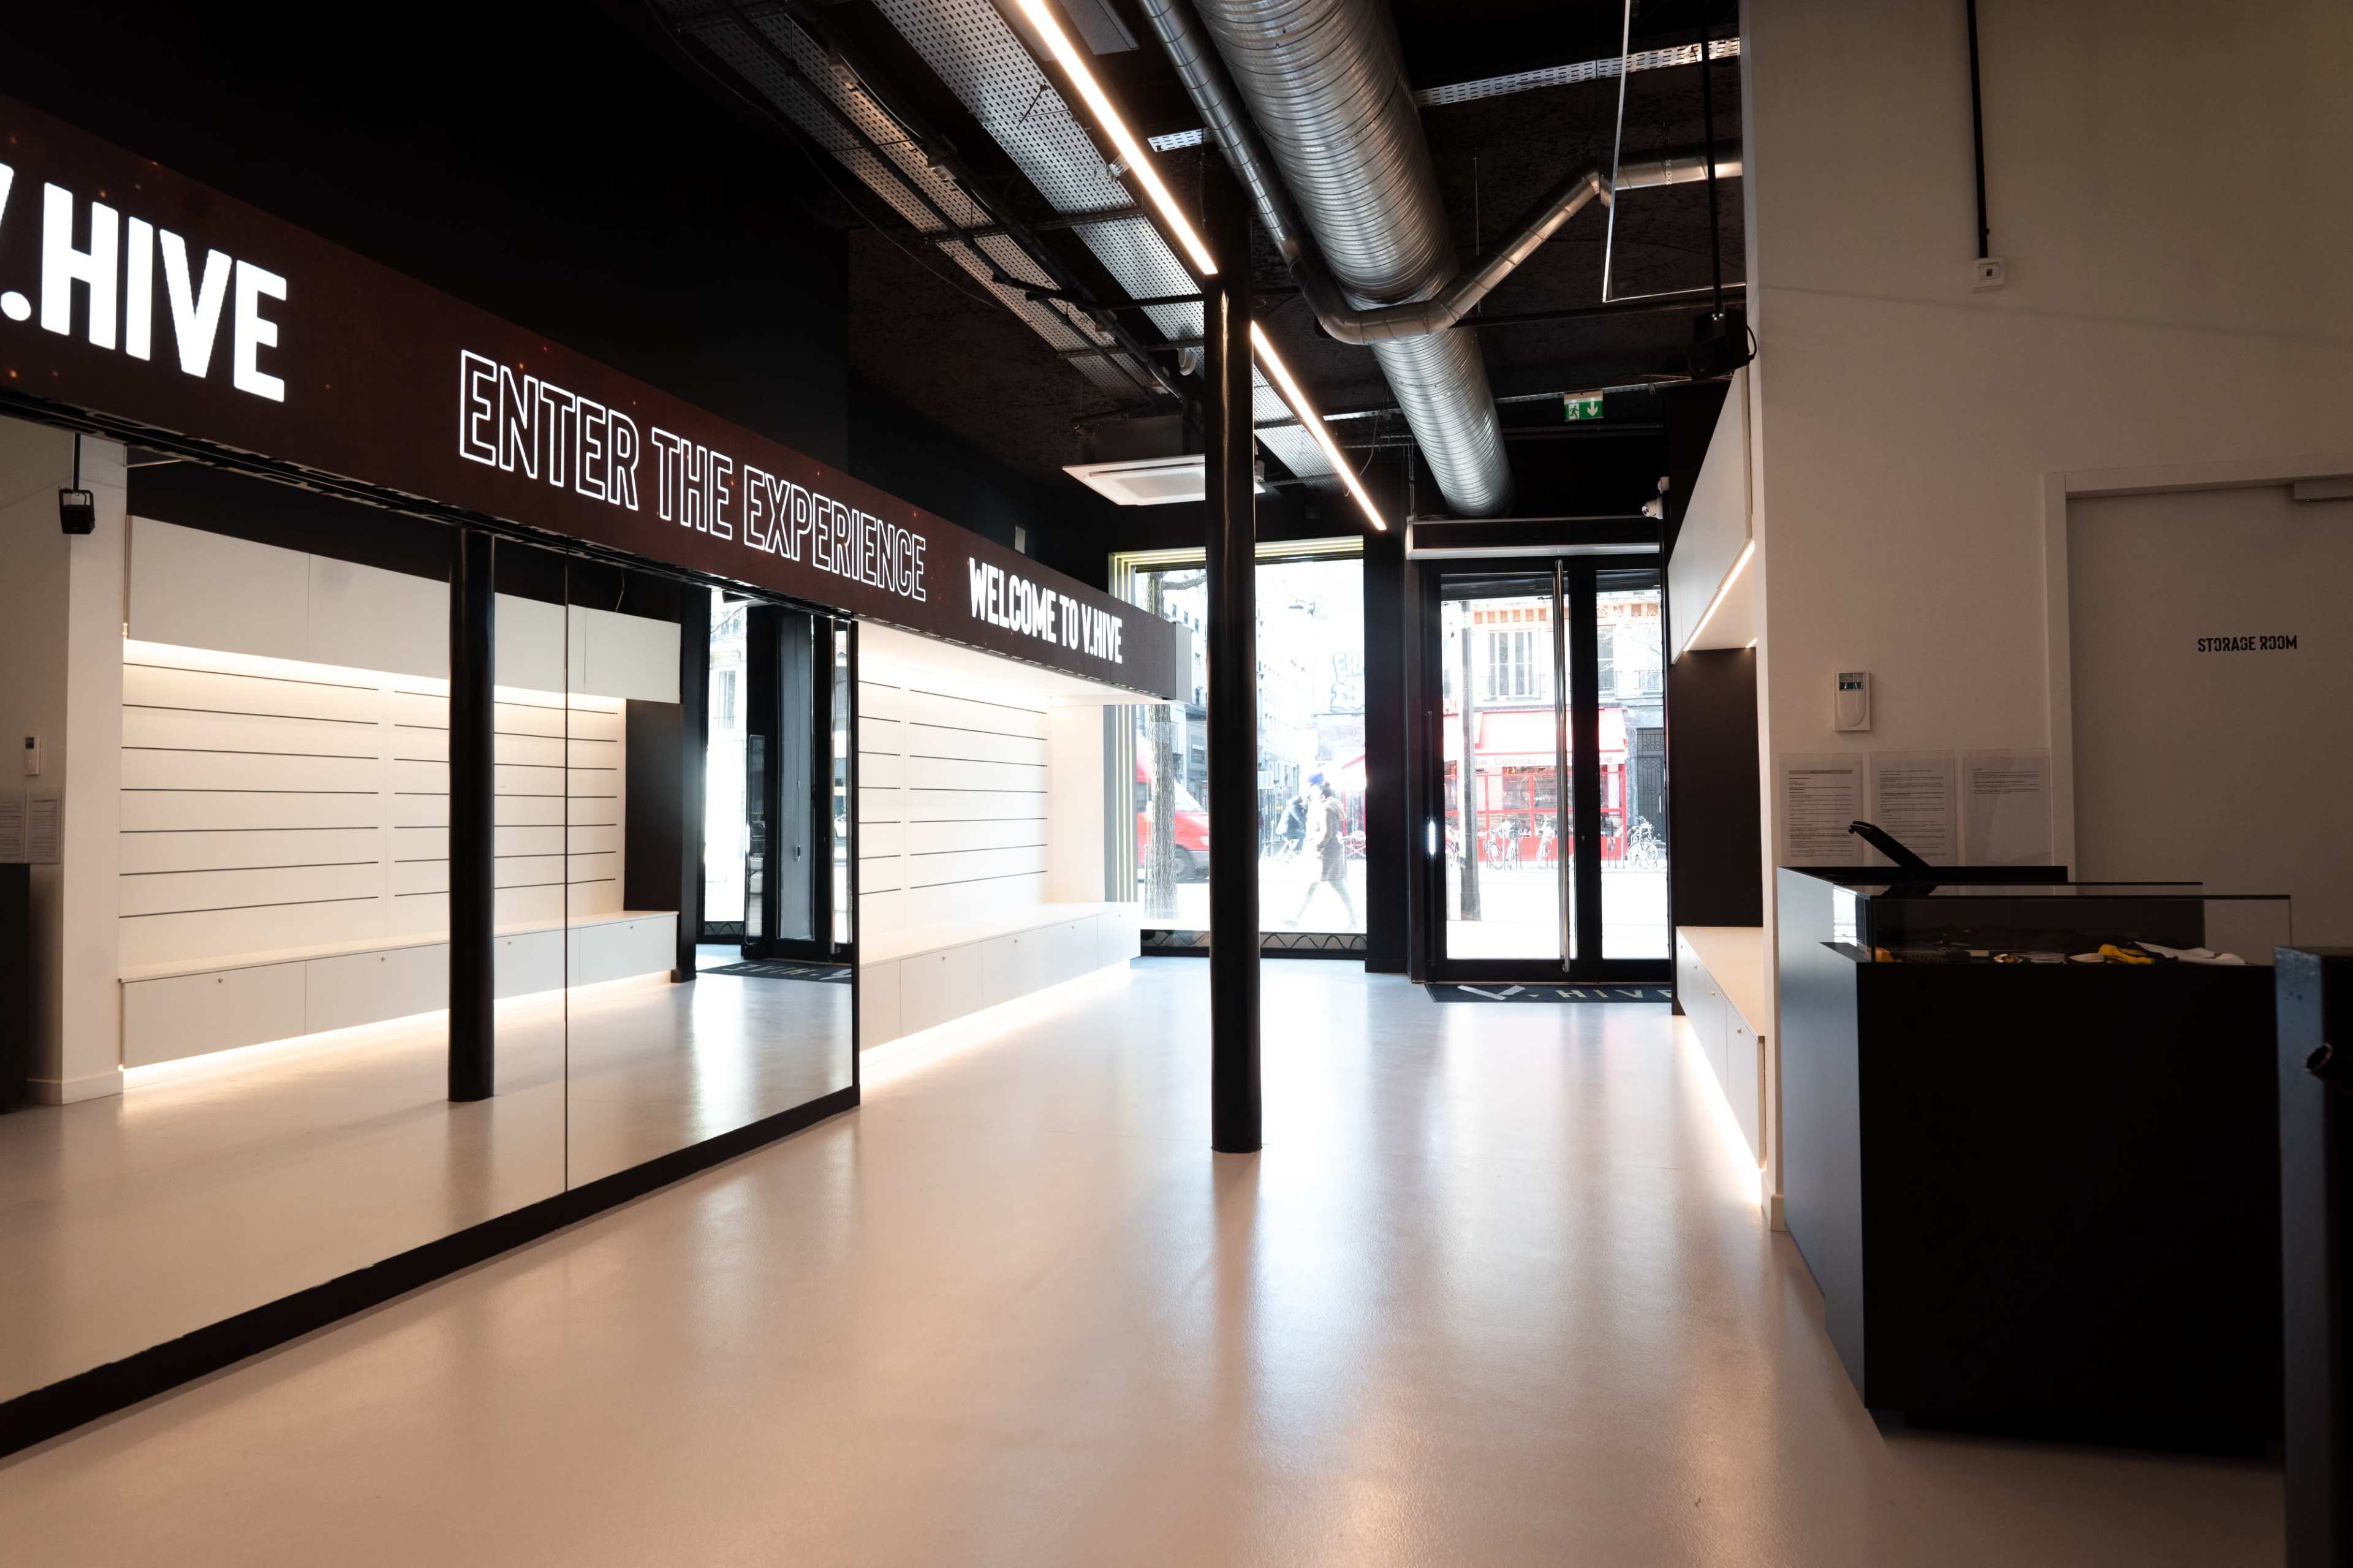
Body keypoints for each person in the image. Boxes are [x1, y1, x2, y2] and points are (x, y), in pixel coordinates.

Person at [1289, 775, 1357, 928]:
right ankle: (1295, 918)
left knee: (1330, 884)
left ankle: (1296, 918)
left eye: (1313, 792)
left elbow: (1327, 832)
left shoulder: (1325, 808)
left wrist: (1317, 845)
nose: (1311, 794)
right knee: (1328, 885)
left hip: (1325, 854)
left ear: (1321, 795)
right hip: (1327, 852)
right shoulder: (1325, 806)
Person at [1279, 788, 1309, 860]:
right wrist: (1306, 814)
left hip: (1287, 828)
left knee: (1289, 845)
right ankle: (1295, 851)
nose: (1303, 803)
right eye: (1302, 802)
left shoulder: (1294, 807)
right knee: (1303, 835)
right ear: (1299, 802)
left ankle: (1284, 858)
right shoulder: (1293, 808)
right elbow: (1300, 819)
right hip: (1288, 829)